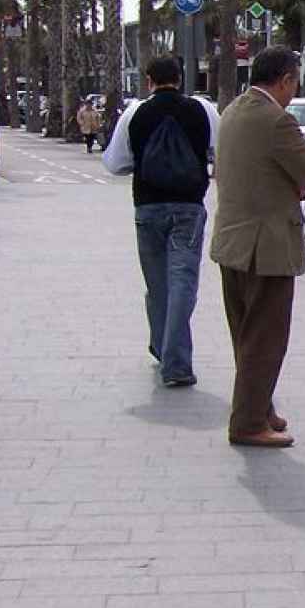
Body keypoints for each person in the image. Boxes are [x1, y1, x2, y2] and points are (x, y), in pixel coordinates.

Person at [210, 47, 305, 448]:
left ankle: (259, 408)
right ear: (285, 80)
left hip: (232, 241)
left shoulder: (234, 111)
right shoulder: (277, 120)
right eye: (295, 81)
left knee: (245, 333)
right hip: (267, 245)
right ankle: (247, 423)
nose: (294, 90)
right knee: (266, 336)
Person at [104, 57, 219, 388]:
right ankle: (176, 360)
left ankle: (163, 348)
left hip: (148, 206)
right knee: (183, 280)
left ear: (149, 80)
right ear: (180, 79)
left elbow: (115, 163)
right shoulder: (203, 110)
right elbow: (220, 149)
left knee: (158, 285)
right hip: (188, 206)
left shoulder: (135, 112)